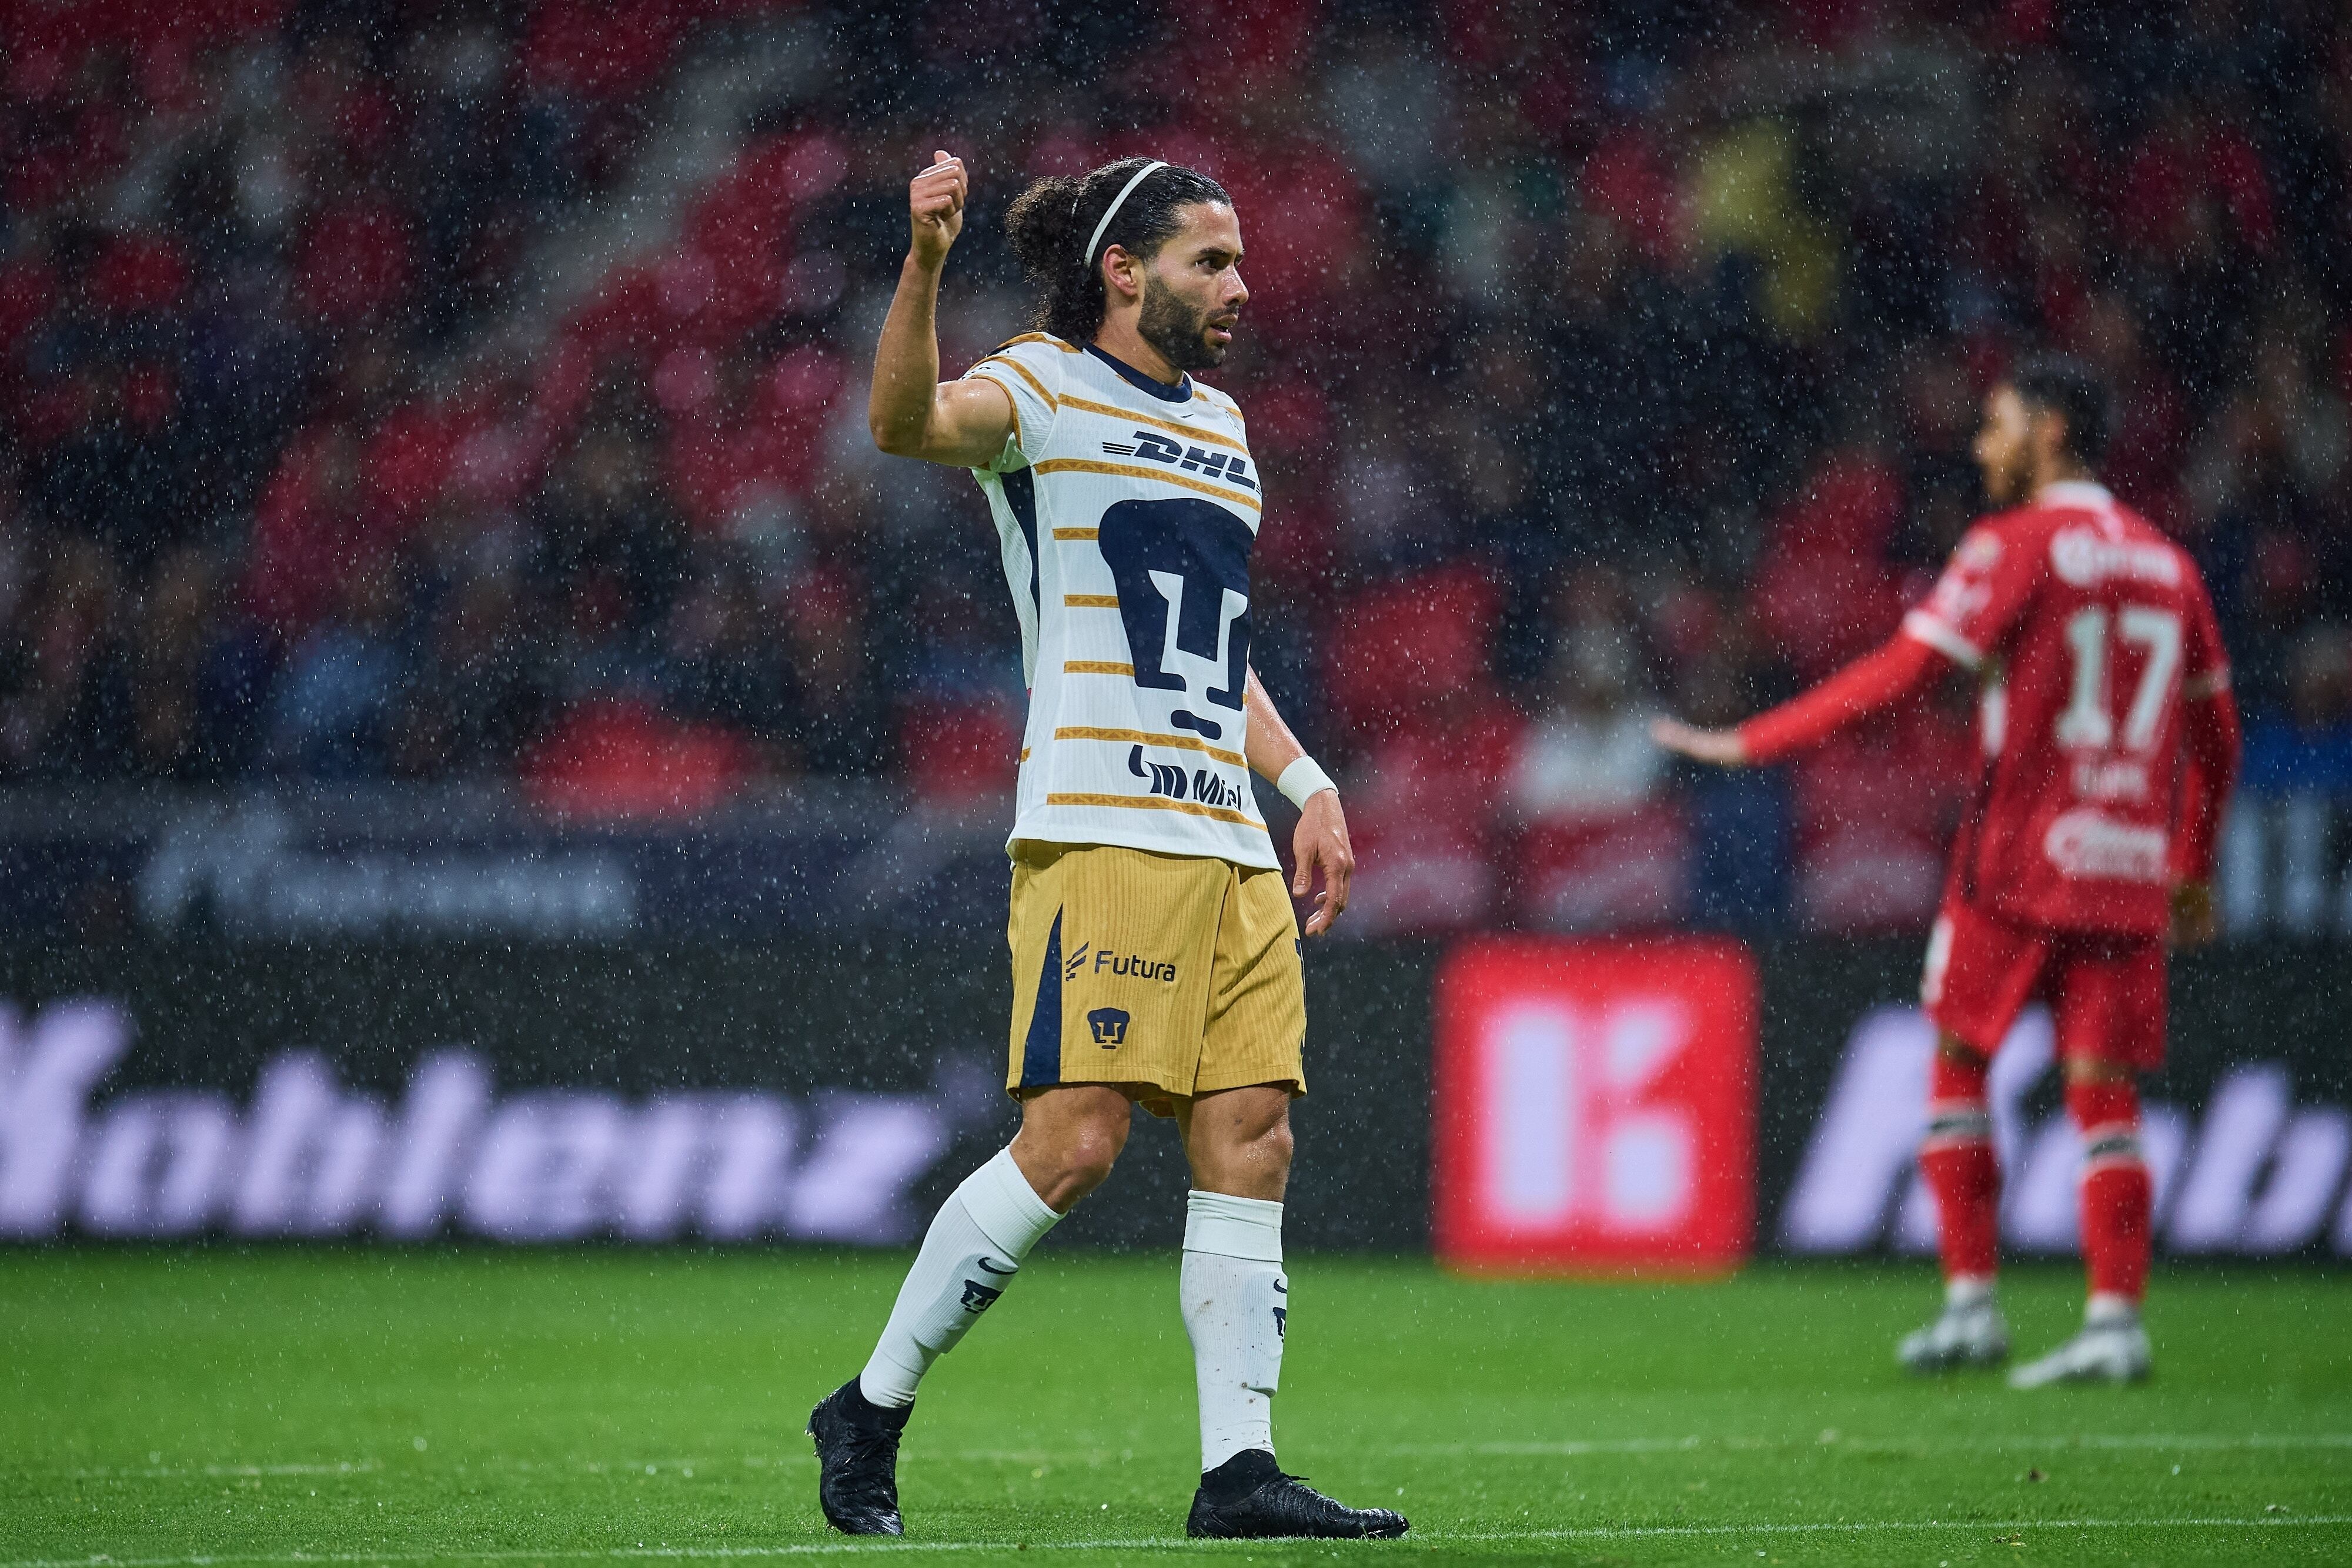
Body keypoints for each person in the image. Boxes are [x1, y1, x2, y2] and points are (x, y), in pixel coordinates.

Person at [807, 150, 1406, 1540]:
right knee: (1072, 1142)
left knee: (1251, 1134)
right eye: (1212, 261)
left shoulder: (1227, 428)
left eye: (1240, 261)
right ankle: (870, 1404)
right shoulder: (1041, 385)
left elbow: (1209, 648)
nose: (1240, 286)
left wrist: (1306, 781)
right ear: (1124, 273)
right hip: (1097, 822)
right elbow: (902, 422)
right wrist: (924, 265)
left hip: (1226, 838)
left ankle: (1237, 1467)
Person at [1655, 357, 2241, 1386]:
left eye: (1998, 425)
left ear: (2051, 430)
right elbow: (2219, 736)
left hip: (2015, 863)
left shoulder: (2014, 544)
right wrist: (2191, 868)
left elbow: (1907, 671)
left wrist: (1754, 741)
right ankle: (2115, 1321)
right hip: (2125, 868)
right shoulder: (2168, 563)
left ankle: (1973, 1306)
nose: (1982, 446)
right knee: (2105, 1093)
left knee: (1958, 1062)